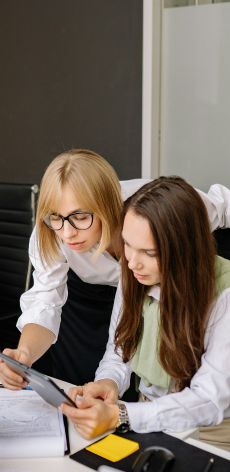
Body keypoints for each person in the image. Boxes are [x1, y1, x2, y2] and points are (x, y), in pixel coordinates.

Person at [0, 149, 230, 388]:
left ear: (106, 206)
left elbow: (224, 207)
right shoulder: (51, 231)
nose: (67, 233)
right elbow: (45, 303)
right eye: (55, 217)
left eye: (80, 217)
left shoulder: (161, 210)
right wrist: (24, 354)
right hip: (100, 293)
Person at [61, 177, 230, 452]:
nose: (131, 262)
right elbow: (120, 350)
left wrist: (121, 415)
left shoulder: (225, 296)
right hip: (145, 415)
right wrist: (107, 382)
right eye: (127, 244)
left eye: (149, 252)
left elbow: (209, 400)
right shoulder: (135, 272)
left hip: (210, 433)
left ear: (186, 249)